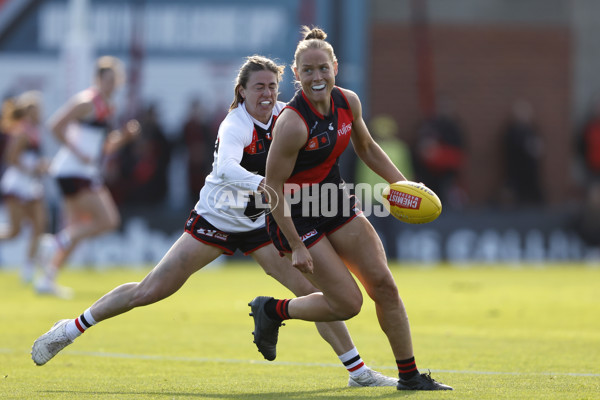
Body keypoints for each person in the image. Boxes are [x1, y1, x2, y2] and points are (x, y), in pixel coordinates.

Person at [31, 55, 398, 387]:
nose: (267, 94)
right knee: (150, 291)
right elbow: (225, 169)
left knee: (312, 292)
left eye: (273, 86)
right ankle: (70, 329)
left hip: (263, 224)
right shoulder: (234, 124)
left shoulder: (289, 117)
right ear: (241, 92)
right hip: (217, 218)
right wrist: (271, 187)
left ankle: (357, 372)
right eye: (259, 87)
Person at [254, 27, 452, 391]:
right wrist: (295, 244)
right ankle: (272, 311)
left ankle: (409, 376)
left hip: (335, 203)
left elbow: (368, 147)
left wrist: (403, 185)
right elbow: (272, 188)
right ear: (296, 75)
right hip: (294, 216)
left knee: (385, 286)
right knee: (347, 303)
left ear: (335, 67)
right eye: (308, 71)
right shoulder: (293, 124)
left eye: (322, 68)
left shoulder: (349, 102)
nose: (317, 77)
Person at [35, 56, 141, 297]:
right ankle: (53, 243)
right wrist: (78, 151)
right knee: (108, 220)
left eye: (116, 80)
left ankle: (47, 278)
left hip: (80, 171)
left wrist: (124, 137)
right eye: (109, 79)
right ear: (98, 79)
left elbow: (103, 148)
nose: (113, 84)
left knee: (77, 229)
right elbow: (54, 125)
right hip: (74, 170)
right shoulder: (86, 101)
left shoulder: (107, 107)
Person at [0, 91, 48, 283]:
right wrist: (33, 167)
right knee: (15, 231)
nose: (40, 113)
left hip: (30, 184)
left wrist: (39, 166)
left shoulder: (33, 131)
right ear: (29, 112)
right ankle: (28, 268)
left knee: (39, 225)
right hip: (18, 184)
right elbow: (11, 158)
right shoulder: (22, 132)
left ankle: (28, 268)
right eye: (36, 109)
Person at [500, 99, 544, 206]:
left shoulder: (532, 129)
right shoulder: (512, 130)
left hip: (530, 169)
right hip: (516, 168)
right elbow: (511, 146)